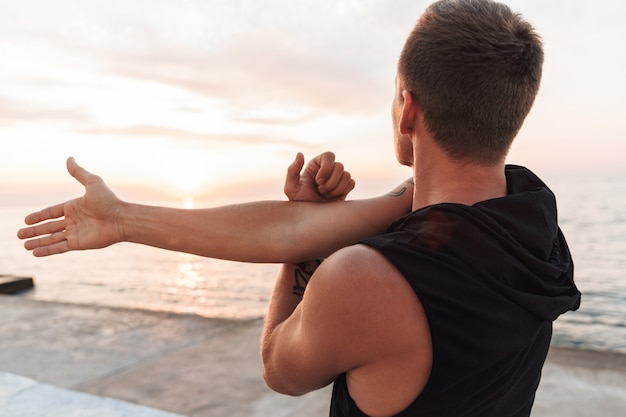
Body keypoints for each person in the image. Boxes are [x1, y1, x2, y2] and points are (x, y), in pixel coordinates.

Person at [19, 1, 582, 416]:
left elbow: (278, 368)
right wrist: (123, 219)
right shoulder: (532, 217)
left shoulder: (369, 279)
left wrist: (309, 252)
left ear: (408, 109)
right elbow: (290, 226)